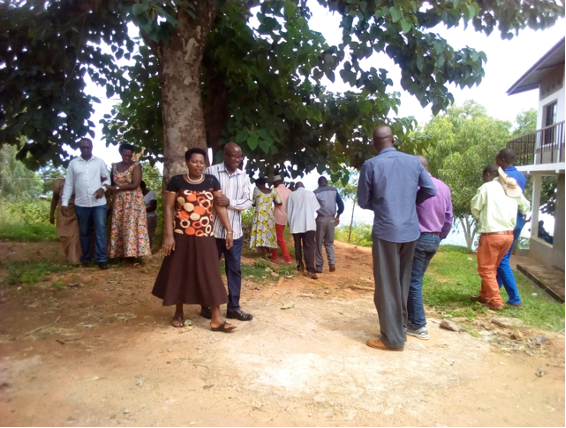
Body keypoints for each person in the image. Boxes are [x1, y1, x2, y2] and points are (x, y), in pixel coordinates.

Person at [357, 126, 437, 352]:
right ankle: (400, 330)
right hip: (410, 232)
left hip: (386, 231)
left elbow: (363, 202)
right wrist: (409, 203)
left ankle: (391, 339)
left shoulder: (371, 165)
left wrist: (382, 205)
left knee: (386, 285)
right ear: (393, 139)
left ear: (375, 143)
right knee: (402, 282)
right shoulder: (413, 162)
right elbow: (430, 190)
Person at [152, 149, 237, 332]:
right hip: (181, 234)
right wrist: (168, 236)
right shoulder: (177, 181)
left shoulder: (211, 181)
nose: (198, 165)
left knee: (210, 272)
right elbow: (168, 208)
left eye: (201, 162)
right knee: (180, 271)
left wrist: (229, 230)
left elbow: (219, 206)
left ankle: (216, 318)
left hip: (206, 235)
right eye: (194, 161)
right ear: (187, 163)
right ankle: (179, 312)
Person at [204, 142, 254, 322]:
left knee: (234, 270)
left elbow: (247, 201)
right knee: (210, 269)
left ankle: (233, 307)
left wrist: (230, 202)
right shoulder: (211, 172)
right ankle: (207, 305)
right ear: (225, 156)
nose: (238, 160)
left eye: (240, 157)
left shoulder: (243, 176)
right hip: (212, 231)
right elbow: (204, 198)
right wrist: (218, 202)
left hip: (235, 233)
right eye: (234, 157)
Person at [471, 167, 530, 312]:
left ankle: (496, 301)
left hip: (492, 234)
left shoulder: (487, 187)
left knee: (485, 269)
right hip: (508, 235)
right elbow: (526, 207)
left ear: (488, 174)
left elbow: (475, 207)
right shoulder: (512, 188)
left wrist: (482, 219)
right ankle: (485, 296)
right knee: (494, 267)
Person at [407, 156, 454, 340]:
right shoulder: (443, 187)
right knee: (415, 280)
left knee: (413, 281)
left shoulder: (416, 187)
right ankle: (412, 319)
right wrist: (439, 237)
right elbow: (449, 218)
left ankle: (419, 326)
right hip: (434, 238)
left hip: (419, 238)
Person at [62, 138, 111, 270]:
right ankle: (87, 258)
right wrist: (64, 202)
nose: (85, 149)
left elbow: (107, 179)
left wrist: (103, 189)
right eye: (82, 147)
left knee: (100, 230)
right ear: (79, 148)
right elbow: (69, 184)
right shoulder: (73, 164)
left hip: (99, 203)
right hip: (81, 203)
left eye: (87, 147)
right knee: (84, 232)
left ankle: (101, 259)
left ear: (92, 147)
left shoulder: (99, 162)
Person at [495, 149, 528, 308]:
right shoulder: (521, 176)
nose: (496, 164)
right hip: (519, 220)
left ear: (502, 160)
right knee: (503, 258)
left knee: (502, 260)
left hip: (508, 221)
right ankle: (492, 292)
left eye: (497, 161)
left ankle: (515, 299)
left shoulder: (504, 177)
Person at [108, 144, 151, 262]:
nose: (127, 157)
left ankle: (133, 256)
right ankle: (120, 254)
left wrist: (117, 188)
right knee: (120, 224)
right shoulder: (115, 166)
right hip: (119, 200)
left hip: (133, 200)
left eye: (129, 155)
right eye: (124, 154)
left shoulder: (135, 166)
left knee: (132, 226)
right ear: (121, 153)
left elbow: (135, 184)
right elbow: (111, 183)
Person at [286, 182, 321, 280]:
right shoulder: (310, 193)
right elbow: (315, 208)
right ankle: (311, 270)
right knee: (309, 247)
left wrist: (289, 222)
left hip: (296, 224)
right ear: (303, 187)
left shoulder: (291, 195)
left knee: (297, 246)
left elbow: (288, 211)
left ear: (295, 188)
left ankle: (300, 266)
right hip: (309, 224)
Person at [314, 177, 345, 273]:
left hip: (321, 219)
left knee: (318, 243)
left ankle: (319, 266)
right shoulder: (334, 190)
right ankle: (332, 262)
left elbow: (312, 207)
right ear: (327, 182)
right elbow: (341, 205)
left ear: (318, 183)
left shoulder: (315, 192)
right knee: (329, 243)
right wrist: (337, 216)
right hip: (332, 219)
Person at [50, 178, 82, 264]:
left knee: (75, 235)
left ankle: (75, 259)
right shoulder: (60, 183)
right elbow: (54, 199)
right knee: (65, 235)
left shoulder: (81, 182)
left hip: (76, 212)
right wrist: (51, 214)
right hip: (63, 213)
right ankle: (69, 257)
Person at [250, 177, 282, 259]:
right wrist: (269, 201)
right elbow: (279, 202)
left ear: (259, 184)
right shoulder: (273, 191)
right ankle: (268, 253)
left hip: (260, 214)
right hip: (269, 215)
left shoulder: (256, 190)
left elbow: (253, 203)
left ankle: (266, 254)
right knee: (267, 232)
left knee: (260, 232)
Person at [271, 175, 293, 263]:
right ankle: (274, 256)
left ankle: (287, 258)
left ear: (276, 182)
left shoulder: (275, 191)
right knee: (275, 236)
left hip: (278, 216)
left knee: (278, 238)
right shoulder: (289, 191)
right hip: (286, 216)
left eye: (273, 183)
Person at [141, 181, 158, 249]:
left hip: (150, 216)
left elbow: (153, 207)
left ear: (143, 187)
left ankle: (148, 249)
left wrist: (141, 210)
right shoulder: (138, 194)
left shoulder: (151, 194)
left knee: (149, 234)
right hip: (141, 217)